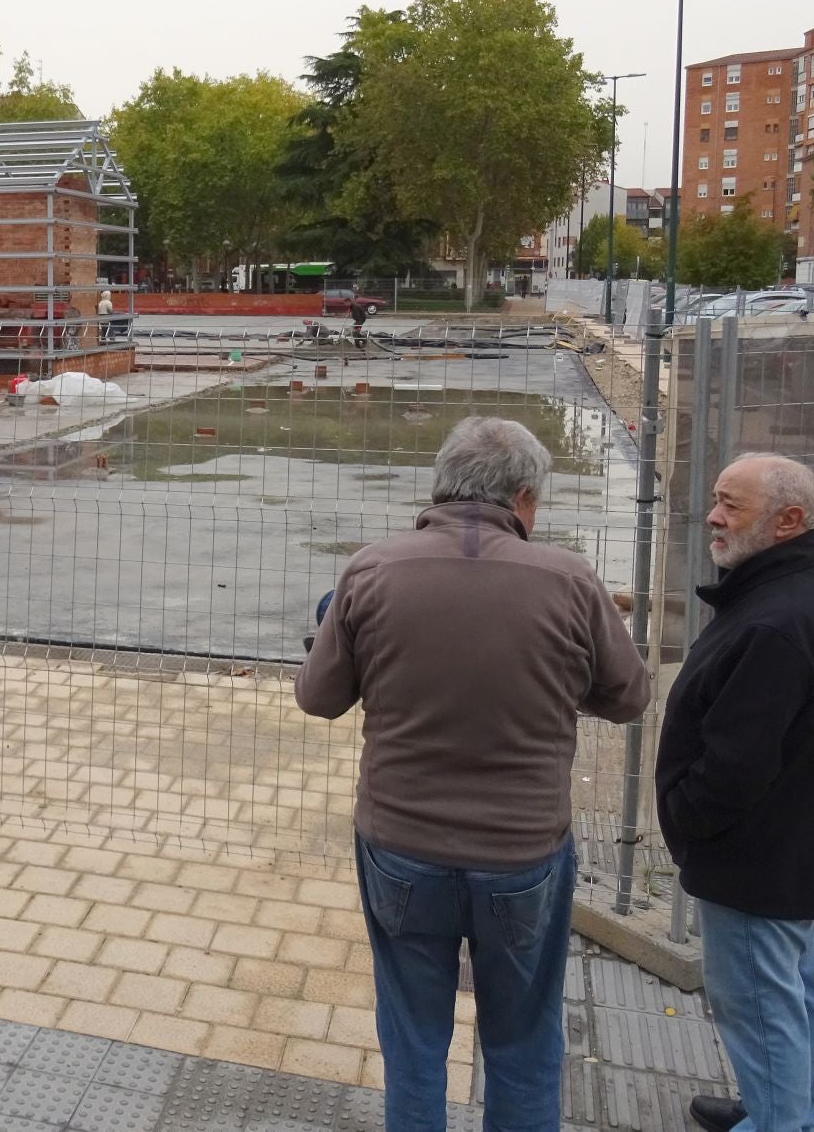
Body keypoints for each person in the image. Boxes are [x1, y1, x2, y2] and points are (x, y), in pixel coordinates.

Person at [297, 416, 649, 1132]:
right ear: (524, 496)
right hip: (522, 854)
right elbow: (629, 695)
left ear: (441, 485)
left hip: (401, 848)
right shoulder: (572, 581)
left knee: (414, 1040)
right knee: (522, 1040)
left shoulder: (372, 570)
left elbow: (319, 696)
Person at [655, 454, 814, 1132]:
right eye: (716, 499)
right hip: (796, 845)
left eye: (732, 506)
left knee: (758, 1002)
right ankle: (787, 1111)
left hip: (756, 858)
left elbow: (735, 766)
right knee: (796, 991)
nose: (714, 517)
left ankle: (782, 1124)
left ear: (789, 521)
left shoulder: (778, 620)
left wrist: (687, 821)